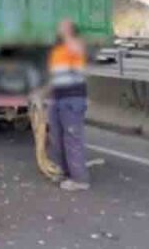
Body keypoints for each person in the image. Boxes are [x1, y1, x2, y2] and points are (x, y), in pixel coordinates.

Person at [45, 18, 90, 191]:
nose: (59, 29)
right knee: (57, 137)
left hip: (73, 98)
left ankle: (80, 179)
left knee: (72, 137)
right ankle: (65, 172)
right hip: (57, 98)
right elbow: (54, 77)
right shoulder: (57, 51)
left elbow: (78, 51)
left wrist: (68, 34)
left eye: (64, 27)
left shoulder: (76, 44)